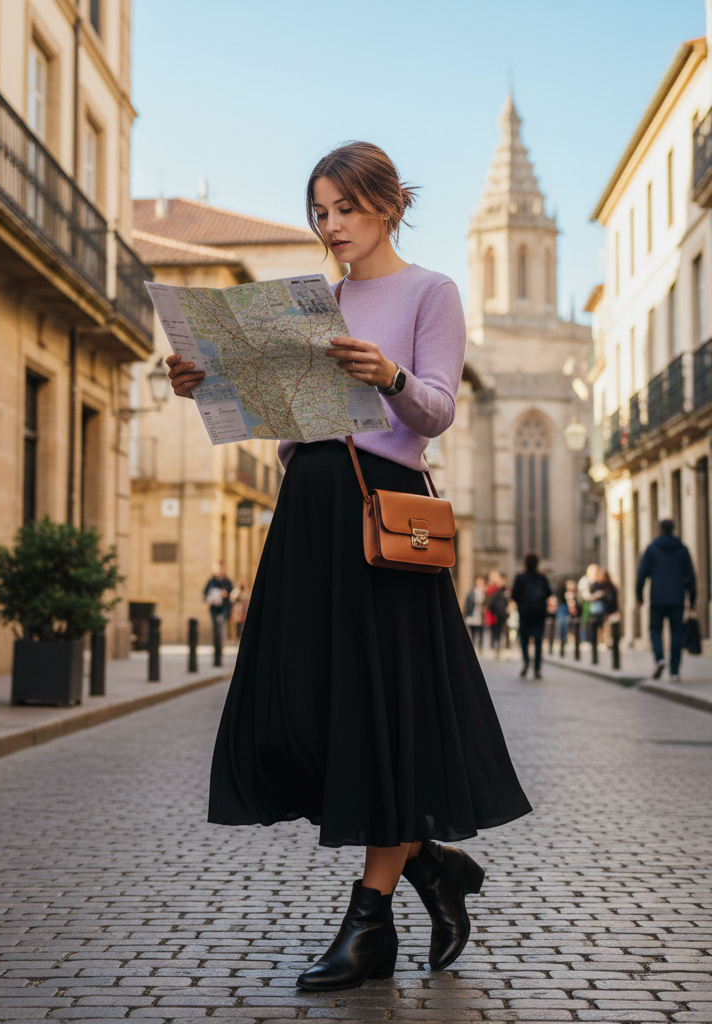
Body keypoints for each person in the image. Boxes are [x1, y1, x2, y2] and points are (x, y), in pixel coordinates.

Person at [166, 141, 531, 991]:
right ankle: (433, 868)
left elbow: (434, 410)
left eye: (345, 209)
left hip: (381, 517)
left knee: (379, 715)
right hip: (310, 510)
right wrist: (207, 383)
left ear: (386, 206)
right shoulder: (311, 303)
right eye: (320, 212)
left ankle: (367, 926)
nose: (331, 226)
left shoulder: (429, 292)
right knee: (296, 709)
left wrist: (391, 373)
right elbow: (285, 416)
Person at [637, 519, 697, 682]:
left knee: (655, 630)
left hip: (657, 598)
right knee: (676, 632)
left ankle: (660, 658)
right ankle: (675, 671)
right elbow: (691, 576)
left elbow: (641, 574)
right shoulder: (682, 549)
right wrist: (692, 599)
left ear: (660, 530)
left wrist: (639, 596)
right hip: (677, 598)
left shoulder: (652, 549)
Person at [511, 553, 552, 680]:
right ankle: (537, 667)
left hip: (524, 614)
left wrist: (522, 604)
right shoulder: (542, 578)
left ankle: (526, 661)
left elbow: (514, 595)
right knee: (538, 641)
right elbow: (548, 593)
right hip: (539, 614)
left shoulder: (520, 578)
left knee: (524, 640)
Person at [204, 560, 233, 666]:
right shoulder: (211, 581)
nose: (219, 570)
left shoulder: (227, 581)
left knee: (220, 630)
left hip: (223, 609)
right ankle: (216, 655)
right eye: (217, 568)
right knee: (215, 631)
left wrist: (226, 594)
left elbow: (231, 594)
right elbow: (205, 594)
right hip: (214, 609)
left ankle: (219, 655)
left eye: (221, 568)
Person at [486, 571, 510, 656]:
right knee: (496, 630)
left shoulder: (504, 592)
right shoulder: (493, 591)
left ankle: (497, 645)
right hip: (497, 614)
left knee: (498, 631)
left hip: (500, 614)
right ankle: (495, 645)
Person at [464, 575, 487, 650]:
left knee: (480, 631)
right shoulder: (472, 592)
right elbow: (468, 602)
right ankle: (472, 645)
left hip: (481, 614)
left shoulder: (484, 592)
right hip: (473, 613)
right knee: (473, 630)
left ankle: (480, 646)